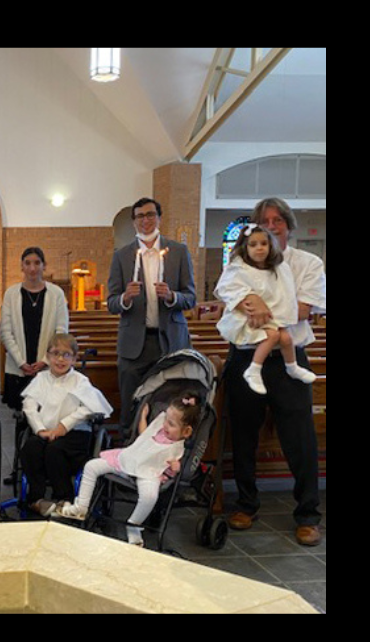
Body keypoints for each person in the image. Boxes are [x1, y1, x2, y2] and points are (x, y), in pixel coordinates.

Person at [224, 198, 326, 547]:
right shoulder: (239, 262)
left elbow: (301, 310)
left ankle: (308, 514)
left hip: (287, 357)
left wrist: (258, 307)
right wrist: (248, 304)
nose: (273, 225)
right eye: (265, 221)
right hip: (245, 354)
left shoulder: (307, 263)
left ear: (287, 225)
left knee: (300, 436)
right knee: (243, 433)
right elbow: (232, 297)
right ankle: (247, 503)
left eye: (278, 220)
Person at [54, 393, 201, 547]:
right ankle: (81, 507)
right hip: (129, 460)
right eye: (165, 420)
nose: (165, 425)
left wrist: (175, 467)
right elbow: (144, 436)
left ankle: (134, 525)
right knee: (91, 466)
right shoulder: (160, 428)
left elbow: (174, 468)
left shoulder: (176, 448)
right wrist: (143, 417)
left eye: (171, 424)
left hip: (150, 472)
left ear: (186, 432)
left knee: (150, 496)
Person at [107, 198, 197, 434]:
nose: (145, 220)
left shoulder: (178, 251)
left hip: (170, 341)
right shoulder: (122, 256)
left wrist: (171, 297)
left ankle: (167, 455)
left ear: (159, 217)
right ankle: (128, 450)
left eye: (150, 215)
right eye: (140, 216)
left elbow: (191, 297)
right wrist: (125, 298)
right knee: (130, 403)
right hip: (134, 343)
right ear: (134, 221)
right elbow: (111, 302)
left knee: (171, 404)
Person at [19, 334, 114, 517]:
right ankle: (36, 499)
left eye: (66, 355)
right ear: (47, 356)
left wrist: (64, 426)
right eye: (55, 354)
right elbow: (29, 406)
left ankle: (64, 498)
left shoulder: (80, 381)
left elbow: (89, 408)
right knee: (31, 447)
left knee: (55, 450)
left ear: (75, 358)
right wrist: (40, 429)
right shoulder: (41, 378)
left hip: (74, 434)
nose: (60, 359)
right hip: (45, 432)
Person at [215, 224, 316, 395]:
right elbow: (228, 291)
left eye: (264, 244)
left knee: (286, 338)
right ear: (245, 248)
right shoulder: (238, 269)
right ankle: (254, 369)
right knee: (274, 335)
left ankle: (292, 367)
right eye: (253, 245)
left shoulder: (278, 269)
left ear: (271, 246)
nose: (259, 248)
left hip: (273, 318)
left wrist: (280, 315)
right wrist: (250, 302)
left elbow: (285, 293)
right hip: (250, 321)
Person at [0, 247, 70, 411]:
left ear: (44, 265)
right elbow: (6, 332)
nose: (32, 268)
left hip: (48, 366)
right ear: (21, 266)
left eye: (37, 263)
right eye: (28, 263)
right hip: (18, 367)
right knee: (20, 415)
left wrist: (45, 360)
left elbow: (61, 331)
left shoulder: (56, 293)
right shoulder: (11, 293)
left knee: (46, 413)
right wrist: (21, 362)